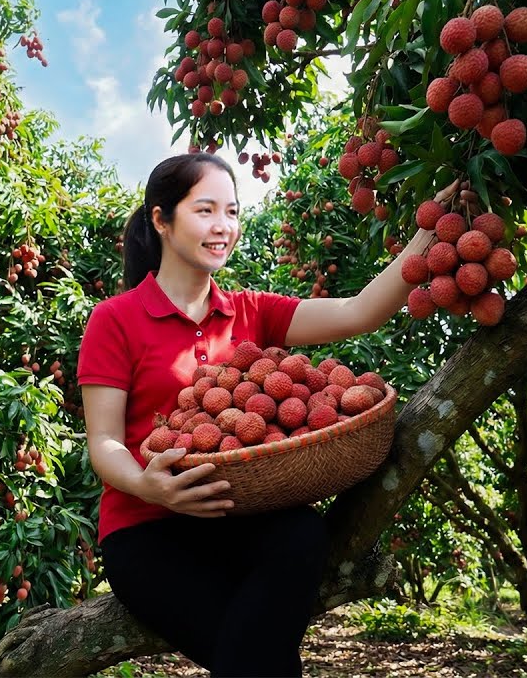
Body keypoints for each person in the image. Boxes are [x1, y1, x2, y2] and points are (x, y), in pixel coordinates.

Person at [76, 152, 459, 676]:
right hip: (147, 527)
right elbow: (103, 442)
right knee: (266, 663)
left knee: (302, 535)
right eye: (205, 210)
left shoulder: (249, 311)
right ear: (161, 220)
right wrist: (149, 485)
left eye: (232, 212)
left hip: (242, 518)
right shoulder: (114, 318)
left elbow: (358, 311)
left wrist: (430, 230)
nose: (223, 226)